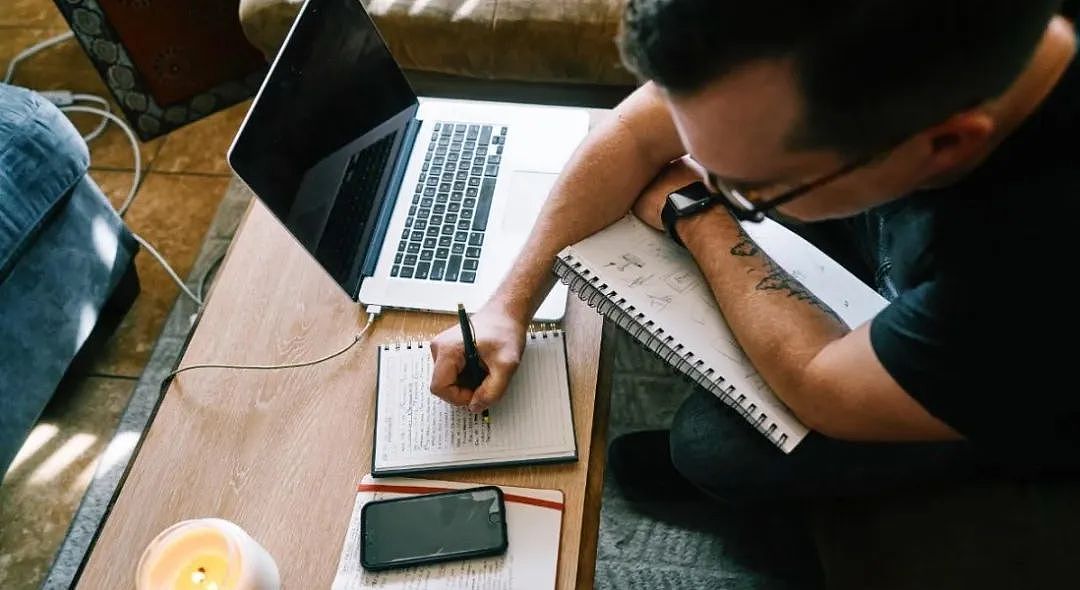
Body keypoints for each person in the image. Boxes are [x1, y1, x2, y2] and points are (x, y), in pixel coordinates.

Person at [428, 0, 1080, 504]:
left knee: (710, 451)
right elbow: (636, 130)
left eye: (749, 185)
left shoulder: (1025, 275)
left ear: (945, 145)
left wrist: (700, 214)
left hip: (1024, 378)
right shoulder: (833, 50)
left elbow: (823, 385)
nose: (708, 177)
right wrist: (508, 305)